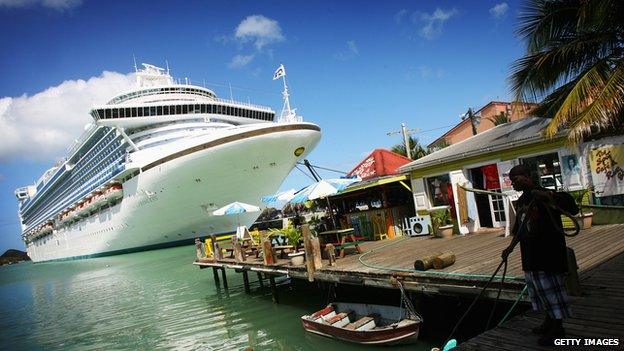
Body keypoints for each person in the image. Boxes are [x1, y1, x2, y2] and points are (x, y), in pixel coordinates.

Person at [502, 164, 578, 346]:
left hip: (548, 254)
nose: (513, 183)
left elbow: (572, 207)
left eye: (516, 179)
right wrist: (509, 248)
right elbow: (519, 230)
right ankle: (549, 321)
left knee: (552, 292)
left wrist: (549, 196)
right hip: (531, 257)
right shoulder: (522, 202)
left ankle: (558, 327)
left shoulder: (545, 194)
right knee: (540, 293)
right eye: (511, 180)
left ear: (528, 176)